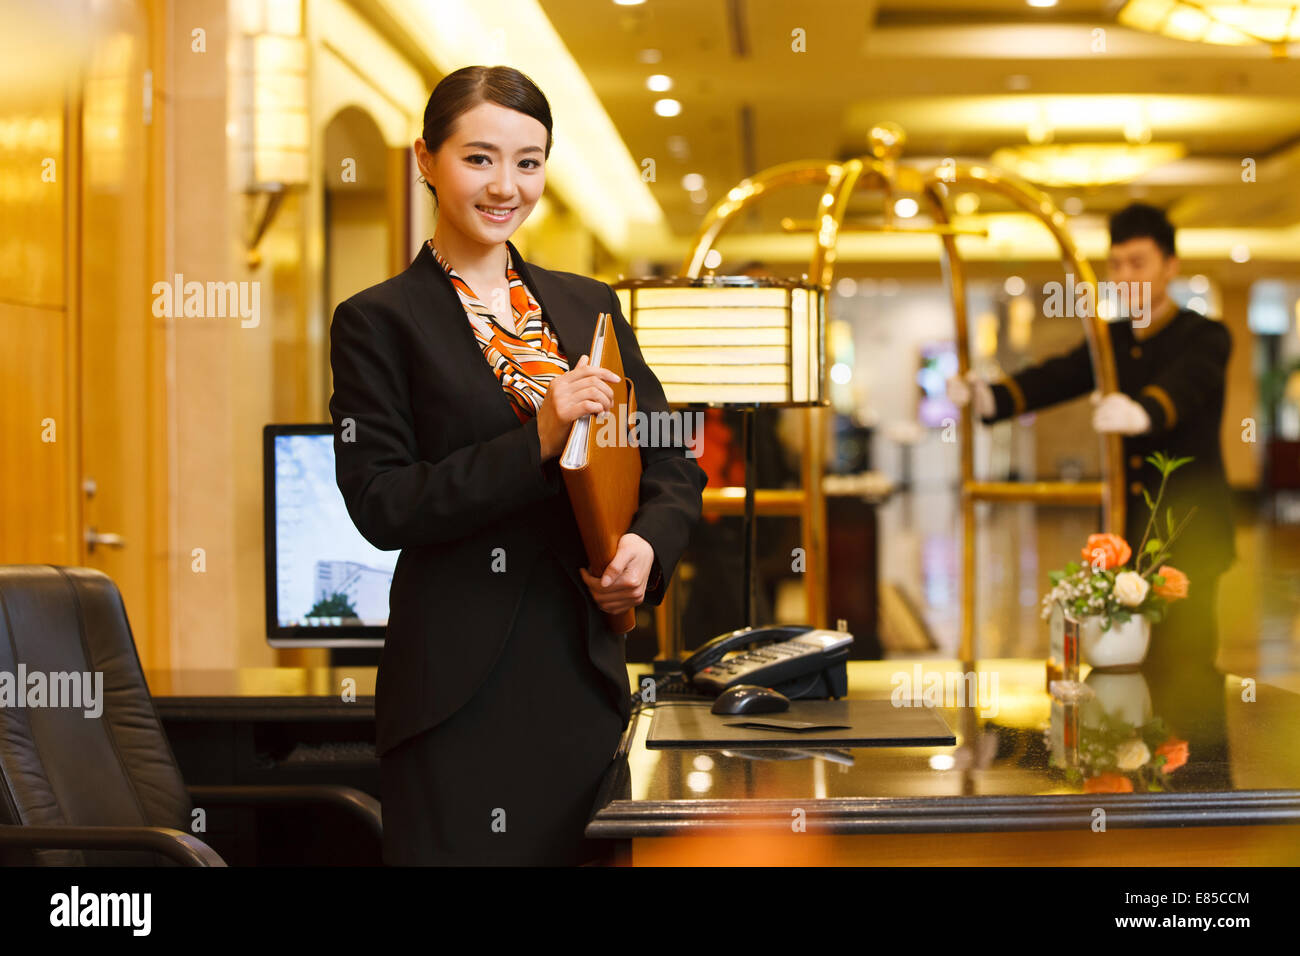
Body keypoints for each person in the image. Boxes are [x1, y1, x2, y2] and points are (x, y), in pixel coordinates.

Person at [328, 65, 707, 865]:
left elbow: (673, 451)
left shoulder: (588, 304)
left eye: (528, 162)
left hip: (586, 679)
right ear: (425, 161)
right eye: (480, 159)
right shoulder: (378, 323)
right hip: (458, 694)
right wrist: (537, 435)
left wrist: (648, 548)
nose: (507, 186)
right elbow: (381, 502)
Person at [946, 202, 1234, 673]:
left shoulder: (1205, 335)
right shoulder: (1111, 339)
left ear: (1170, 267)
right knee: (1121, 661)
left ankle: (1201, 751)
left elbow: (1189, 383)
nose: (1124, 276)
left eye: (1138, 263)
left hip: (1191, 531)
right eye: (1116, 265)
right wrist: (989, 397)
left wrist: (1144, 412)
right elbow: (1058, 376)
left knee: (1186, 665)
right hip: (1127, 528)